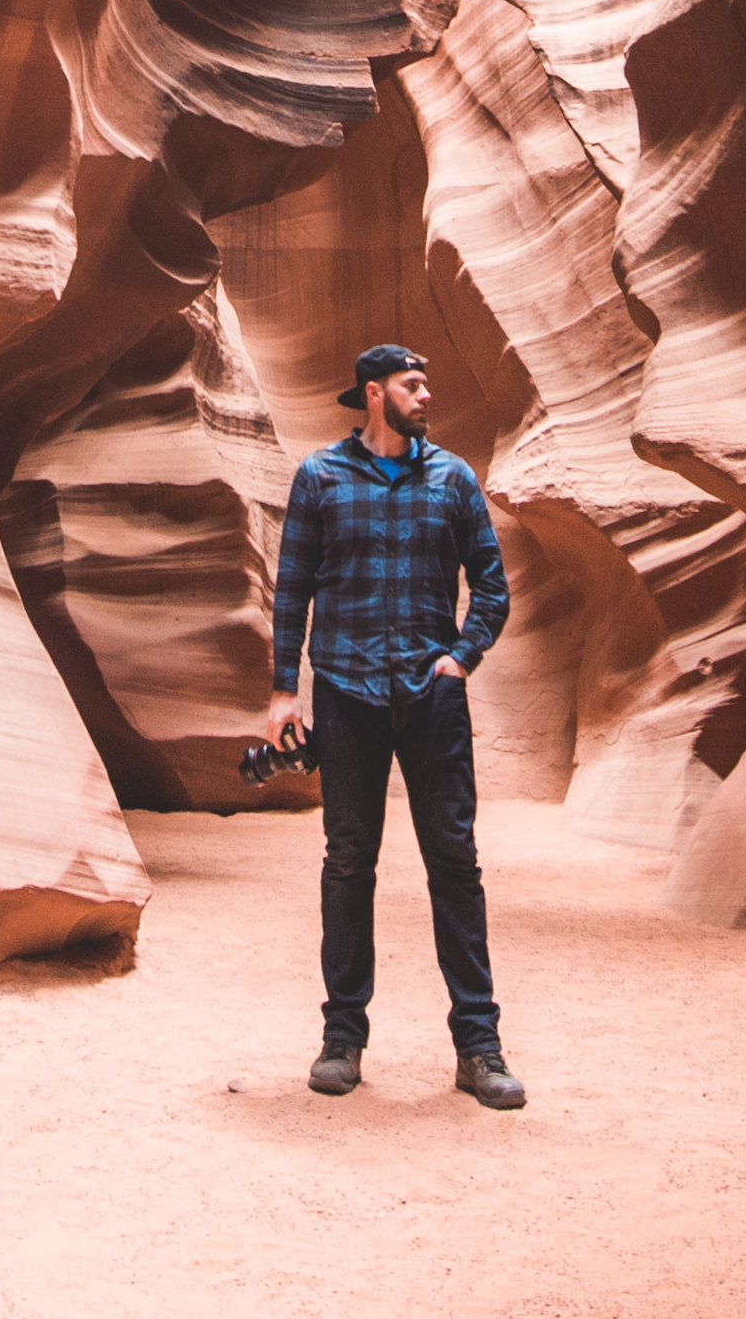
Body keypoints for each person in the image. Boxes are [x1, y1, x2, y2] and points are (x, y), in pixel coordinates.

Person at [265, 340, 523, 1108]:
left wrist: (461, 657)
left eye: (426, 383)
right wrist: (285, 690)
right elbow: (292, 588)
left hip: (430, 698)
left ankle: (479, 1047)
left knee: (455, 866)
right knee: (349, 863)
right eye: (413, 384)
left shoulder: (453, 477)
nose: (426, 396)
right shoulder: (320, 477)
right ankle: (342, 1037)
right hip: (346, 693)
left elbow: (493, 587)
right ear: (373, 393)